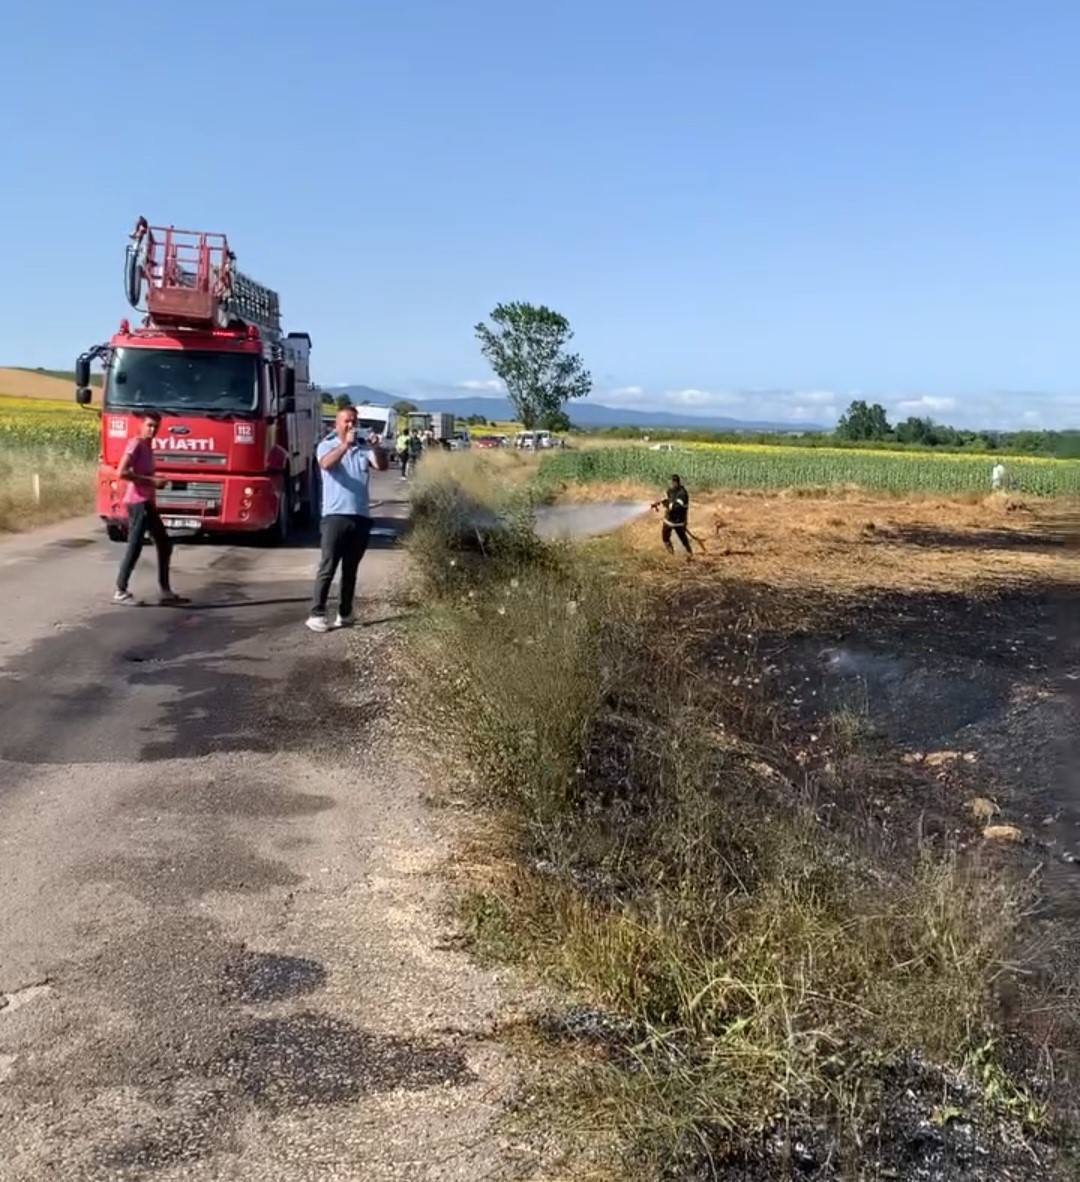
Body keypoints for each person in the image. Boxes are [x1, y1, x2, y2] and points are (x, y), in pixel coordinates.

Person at [306, 406, 388, 633]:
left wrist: (376, 447)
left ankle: (345, 612)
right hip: (335, 516)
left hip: (360, 516)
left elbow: (382, 466)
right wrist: (345, 446)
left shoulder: (363, 449)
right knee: (328, 566)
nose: (351, 425)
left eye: (354, 421)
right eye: (347, 422)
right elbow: (326, 464)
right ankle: (317, 613)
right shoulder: (327, 445)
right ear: (337, 425)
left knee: (350, 569)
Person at [113, 412, 187, 605]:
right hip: (137, 503)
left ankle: (165, 591)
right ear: (141, 425)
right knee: (135, 546)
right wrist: (152, 481)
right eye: (149, 426)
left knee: (164, 543)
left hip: (147, 503)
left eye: (156, 427)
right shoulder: (136, 444)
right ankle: (121, 590)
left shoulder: (148, 447)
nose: (152, 430)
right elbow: (121, 472)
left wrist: (154, 482)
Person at [652, 474, 694, 559]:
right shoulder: (670, 490)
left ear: (676, 482)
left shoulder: (682, 494)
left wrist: (666, 504)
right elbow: (666, 498)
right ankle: (671, 554)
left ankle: (690, 554)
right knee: (665, 538)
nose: (671, 484)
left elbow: (676, 507)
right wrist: (658, 502)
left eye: (672, 482)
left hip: (679, 521)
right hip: (669, 520)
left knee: (683, 539)